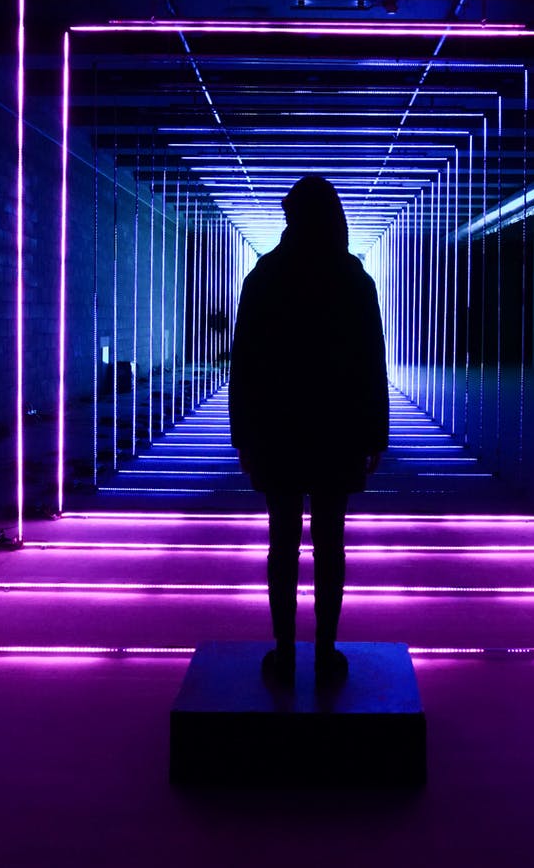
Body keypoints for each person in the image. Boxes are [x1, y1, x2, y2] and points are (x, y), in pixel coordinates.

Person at [229, 175, 389, 687]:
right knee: (330, 544)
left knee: (282, 544)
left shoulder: (265, 278)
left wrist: (243, 436)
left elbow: (245, 365)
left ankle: (283, 649)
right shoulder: (354, 280)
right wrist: (375, 433)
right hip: (336, 431)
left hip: (279, 430)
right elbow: (371, 363)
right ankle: (324, 650)